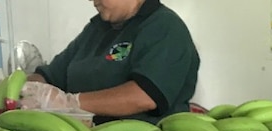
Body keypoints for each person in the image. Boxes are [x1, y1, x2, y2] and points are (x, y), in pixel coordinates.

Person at [19, 0, 199, 124]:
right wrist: (24, 88)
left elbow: (145, 96)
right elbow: (50, 74)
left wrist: (71, 102)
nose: (92, 1)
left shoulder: (165, 27)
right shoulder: (97, 29)